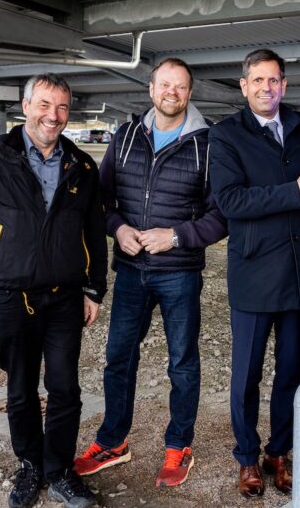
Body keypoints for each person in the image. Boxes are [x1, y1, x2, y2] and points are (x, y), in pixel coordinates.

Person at [0, 73, 107, 508]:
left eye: (62, 108)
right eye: (44, 105)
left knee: (65, 387)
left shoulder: (82, 166)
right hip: (8, 297)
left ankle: (59, 471)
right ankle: (30, 465)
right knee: (20, 388)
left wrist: (94, 289)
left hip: (64, 298)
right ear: (25, 105)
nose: (53, 116)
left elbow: (93, 231)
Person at [73, 58, 227, 487]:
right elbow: (101, 202)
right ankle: (112, 442)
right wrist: (118, 228)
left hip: (178, 273)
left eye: (180, 86)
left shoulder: (208, 143)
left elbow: (221, 217)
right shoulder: (125, 137)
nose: (171, 93)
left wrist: (175, 237)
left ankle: (180, 445)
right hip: (130, 272)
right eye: (165, 85)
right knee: (118, 359)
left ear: (190, 93)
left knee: (181, 363)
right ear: (151, 89)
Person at [209, 49, 300, 498]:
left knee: (290, 372)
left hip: (297, 273)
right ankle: (246, 457)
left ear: (284, 84)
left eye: (274, 80)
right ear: (244, 86)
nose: (266, 88)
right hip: (255, 272)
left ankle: (279, 452)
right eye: (257, 80)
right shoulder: (226, 136)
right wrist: (294, 190)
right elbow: (232, 202)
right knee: (247, 375)